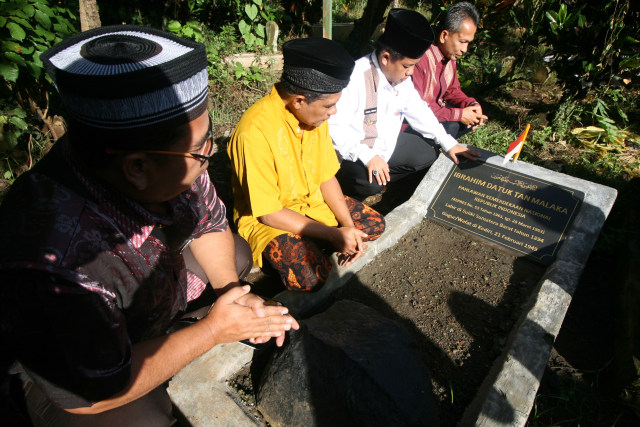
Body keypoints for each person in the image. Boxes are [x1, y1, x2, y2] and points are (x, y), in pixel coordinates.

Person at [0, 25, 299, 426]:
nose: (210, 154)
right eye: (201, 150)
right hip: (67, 374)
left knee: (237, 256)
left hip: (135, 296)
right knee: (149, 416)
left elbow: (209, 222)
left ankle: (169, 332)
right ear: (138, 168)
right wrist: (212, 332)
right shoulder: (58, 262)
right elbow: (90, 395)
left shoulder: (157, 157)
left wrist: (231, 293)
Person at [228, 37, 385, 292]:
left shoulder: (314, 117)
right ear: (300, 100)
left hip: (313, 204)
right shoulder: (254, 132)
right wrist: (334, 235)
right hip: (270, 221)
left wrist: (346, 226)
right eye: (329, 105)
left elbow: (325, 178)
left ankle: (320, 240)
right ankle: (318, 243)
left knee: (374, 226)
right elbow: (269, 212)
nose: (333, 112)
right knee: (312, 277)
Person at [329, 8, 479, 201]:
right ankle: (347, 190)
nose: (411, 73)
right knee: (369, 182)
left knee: (427, 153)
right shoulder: (356, 77)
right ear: (385, 58)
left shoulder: (400, 78)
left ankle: (384, 179)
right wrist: (367, 156)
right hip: (354, 155)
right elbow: (335, 128)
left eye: (414, 65)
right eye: (407, 66)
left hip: (385, 147)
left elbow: (418, 110)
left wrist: (449, 143)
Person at [412, 2, 487, 139]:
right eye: (462, 41)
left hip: (434, 116)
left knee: (463, 122)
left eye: (468, 43)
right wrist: (459, 114)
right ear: (444, 36)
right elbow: (416, 109)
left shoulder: (449, 59)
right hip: (412, 123)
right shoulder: (420, 60)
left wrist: (471, 104)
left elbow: (452, 91)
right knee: (452, 125)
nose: (465, 49)